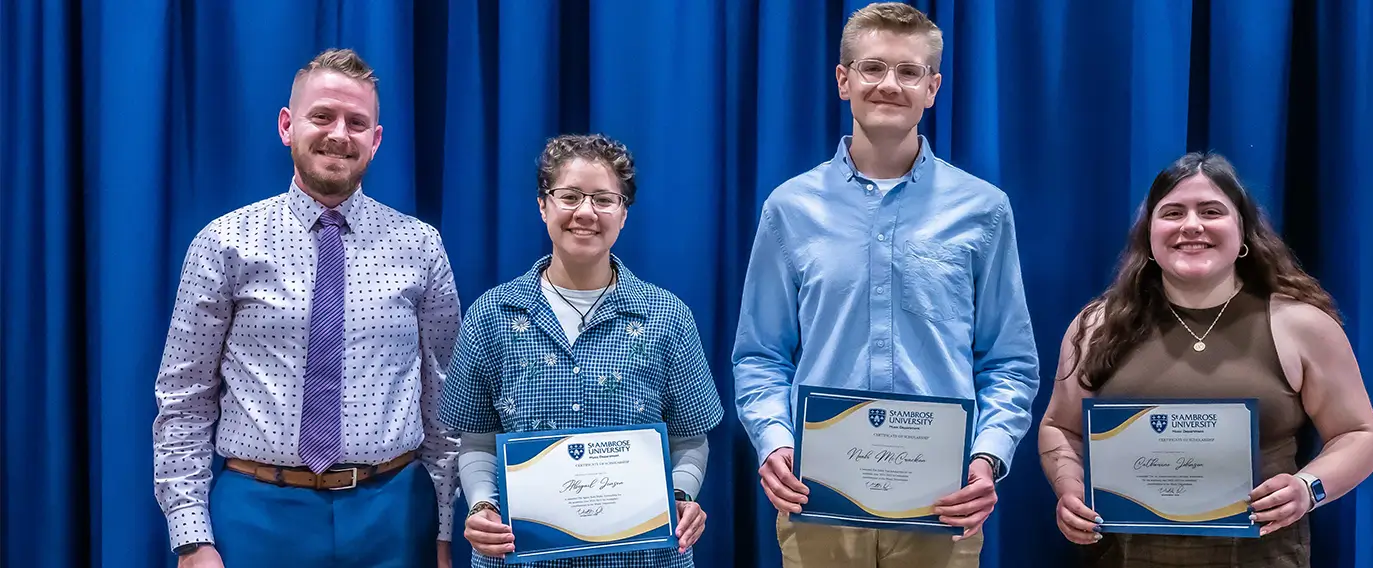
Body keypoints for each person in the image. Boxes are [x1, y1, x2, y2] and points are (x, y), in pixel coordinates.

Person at [732, 3, 1040, 567]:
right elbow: (759, 355)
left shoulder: (985, 210)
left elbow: (1010, 361)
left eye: (909, 72)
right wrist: (775, 441)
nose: (889, 85)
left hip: (942, 507)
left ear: (933, 87)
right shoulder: (790, 208)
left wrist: (986, 458)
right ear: (843, 80)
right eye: (872, 68)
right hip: (817, 502)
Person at [151, 48, 461, 567]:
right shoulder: (224, 242)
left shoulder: (420, 245)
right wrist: (192, 540)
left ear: (376, 140)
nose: (339, 134)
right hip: (256, 517)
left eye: (357, 122)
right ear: (287, 126)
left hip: (396, 519)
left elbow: (445, 403)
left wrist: (444, 534)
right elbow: (184, 400)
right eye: (322, 116)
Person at [1036, 152, 1373, 567]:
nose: (1192, 225)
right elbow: (1059, 427)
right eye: (1173, 212)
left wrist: (1309, 488)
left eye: (1211, 211)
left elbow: (1360, 434)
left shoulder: (1302, 324)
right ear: (1149, 235)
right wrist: (1070, 489)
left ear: (1244, 234)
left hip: (1264, 557)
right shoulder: (1096, 325)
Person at [440, 133, 725, 567]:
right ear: (543, 205)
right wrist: (482, 506)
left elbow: (690, 439)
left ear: (624, 213)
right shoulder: (491, 315)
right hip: (521, 557)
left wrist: (682, 496)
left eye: (604, 199)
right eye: (569, 196)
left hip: (643, 558)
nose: (586, 213)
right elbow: (476, 439)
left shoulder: (667, 317)